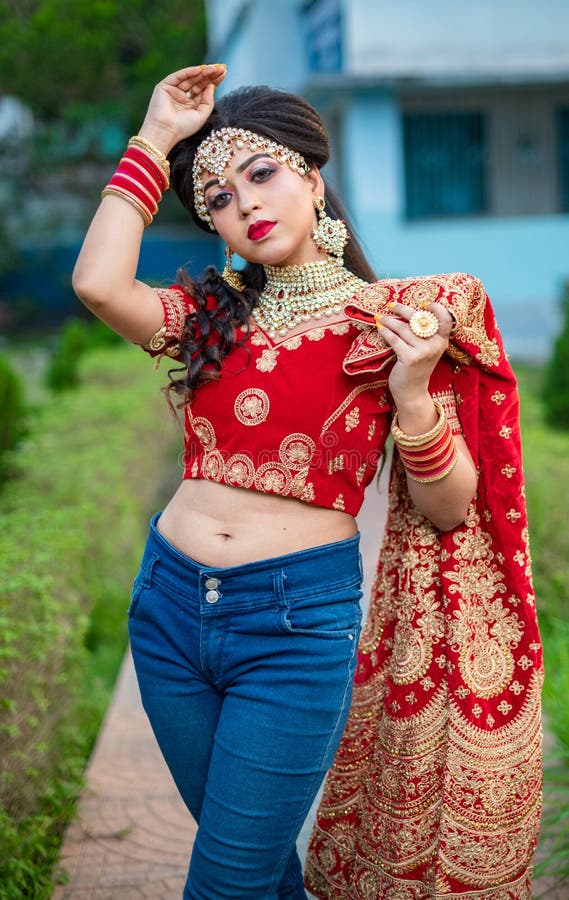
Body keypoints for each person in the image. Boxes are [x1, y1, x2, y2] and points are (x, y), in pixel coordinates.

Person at [72, 64, 543, 899]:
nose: (244, 203)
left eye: (259, 173)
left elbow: (449, 508)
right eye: (216, 197)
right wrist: (154, 138)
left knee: (224, 883)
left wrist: (409, 392)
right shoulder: (213, 317)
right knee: (254, 870)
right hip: (170, 611)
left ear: (311, 176)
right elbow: (98, 284)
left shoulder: (393, 323)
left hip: (290, 629)